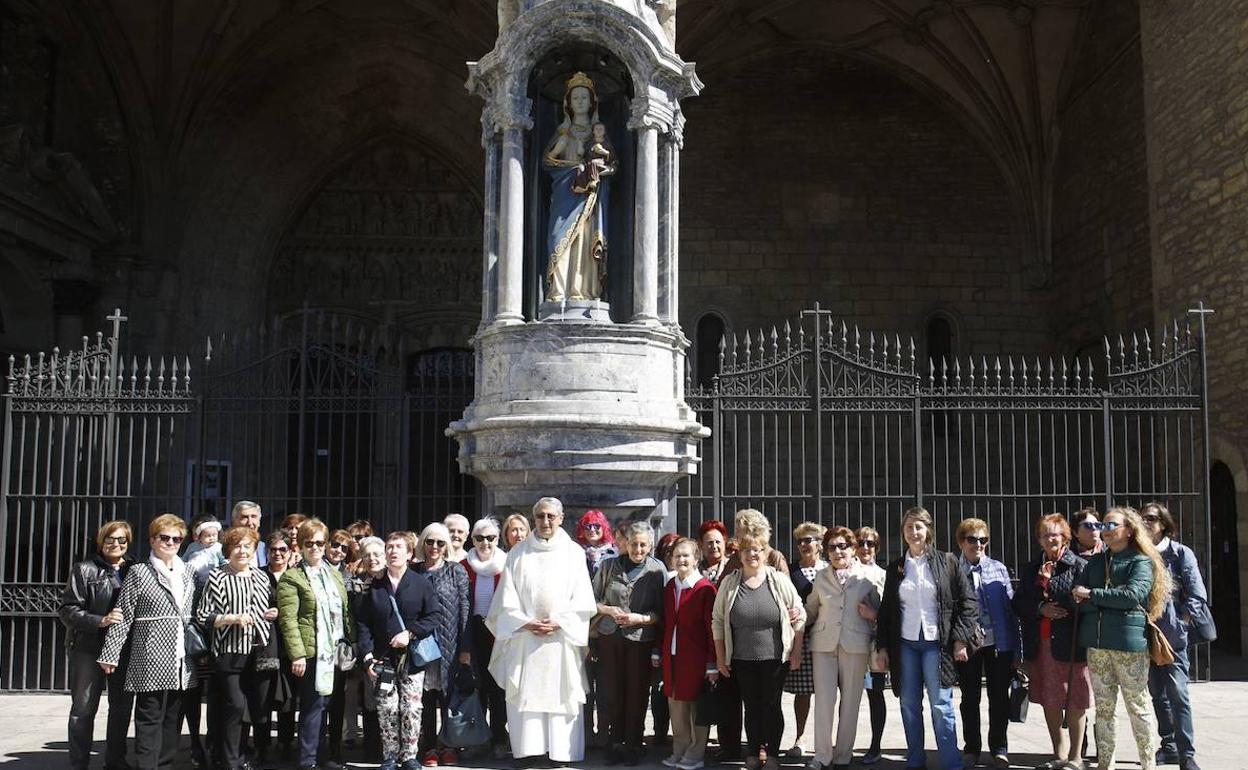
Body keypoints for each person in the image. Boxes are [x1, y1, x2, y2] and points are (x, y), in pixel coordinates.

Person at [486, 497, 597, 764]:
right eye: (540, 516)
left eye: (550, 516)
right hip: (526, 635)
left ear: (560, 518)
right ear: (533, 518)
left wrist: (561, 621)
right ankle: (529, 750)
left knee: (562, 693)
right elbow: (505, 598)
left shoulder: (573, 553)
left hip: (561, 636)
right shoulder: (518, 553)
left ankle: (562, 752)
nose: (545, 521)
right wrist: (524, 622)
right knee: (526, 692)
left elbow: (583, 597)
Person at [874, 506, 979, 770]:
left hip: (937, 644)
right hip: (906, 644)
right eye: (909, 527)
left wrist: (960, 638)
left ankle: (951, 763)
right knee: (909, 703)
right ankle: (915, 760)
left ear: (928, 530)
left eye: (918, 526)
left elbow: (968, 602)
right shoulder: (896, 568)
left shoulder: (947, 561)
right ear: (903, 533)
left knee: (940, 704)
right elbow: (887, 611)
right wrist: (883, 646)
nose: (914, 532)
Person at [1073, 506, 1172, 770]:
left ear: (1129, 530)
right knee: (1104, 710)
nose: (1103, 531)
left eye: (1110, 525)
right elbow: (1078, 598)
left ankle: (1148, 764)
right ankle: (1106, 763)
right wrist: (1100, 598)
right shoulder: (1095, 563)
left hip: (1129, 645)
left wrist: (1093, 596)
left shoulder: (1140, 561)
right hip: (1097, 645)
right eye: (1101, 526)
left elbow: (1133, 596)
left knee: (1137, 707)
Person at [97, 513, 196, 770]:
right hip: (150, 655)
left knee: (173, 718)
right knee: (149, 716)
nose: (171, 542)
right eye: (165, 537)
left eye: (177, 538)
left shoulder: (188, 573)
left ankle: (164, 765)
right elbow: (124, 614)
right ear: (152, 540)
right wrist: (111, 653)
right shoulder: (140, 572)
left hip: (180, 657)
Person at [712, 514, 806, 770]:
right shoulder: (730, 583)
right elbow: (718, 620)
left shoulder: (778, 579)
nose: (752, 554)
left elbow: (800, 614)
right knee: (751, 707)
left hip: (774, 658)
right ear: (739, 554)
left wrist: (796, 651)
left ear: (765, 552)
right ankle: (753, 753)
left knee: (772, 706)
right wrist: (721, 657)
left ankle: (773, 755)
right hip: (741, 658)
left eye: (757, 550)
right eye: (747, 550)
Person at [356, 531, 442, 770]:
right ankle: (390, 756)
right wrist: (367, 656)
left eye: (398, 547)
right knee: (387, 707)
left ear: (409, 553)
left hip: (412, 657)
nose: (393, 551)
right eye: (390, 547)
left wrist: (410, 633)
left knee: (412, 707)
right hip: (382, 659)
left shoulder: (421, 583)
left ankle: (410, 756)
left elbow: (433, 616)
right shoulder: (374, 587)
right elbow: (363, 624)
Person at [797, 526, 879, 770]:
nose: (837, 551)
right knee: (824, 701)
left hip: (855, 643)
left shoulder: (869, 576)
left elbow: (881, 612)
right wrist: (797, 615)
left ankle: (843, 755)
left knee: (851, 702)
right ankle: (822, 756)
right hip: (823, 644)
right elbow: (812, 609)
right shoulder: (821, 576)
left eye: (842, 546)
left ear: (853, 549)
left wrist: (873, 615)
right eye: (831, 547)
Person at [1015, 513, 1091, 770]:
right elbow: (1018, 603)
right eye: (1045, 534)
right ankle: (1058, 754)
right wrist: (1040, 608)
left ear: (1065, 537)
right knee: (1049, 697)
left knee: (1075, 699)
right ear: (1039, 539)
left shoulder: (1079, 566)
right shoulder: (1031, 568)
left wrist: (1063, 602)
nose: (1051, 538)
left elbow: (1087, 603)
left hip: (1070, 642)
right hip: (1042, 642)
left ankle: (1076, 757)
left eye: (1055, 533)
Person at [196, 526, 276, 770]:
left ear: (254, 550)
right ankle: (231, 760)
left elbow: (266, 608)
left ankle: (240, 756)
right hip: (229, 651)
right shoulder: (217, 576)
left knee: (252, 707)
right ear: (228, 550)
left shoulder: (262, 577)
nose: (242, 551)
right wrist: (231, 618)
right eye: (237, 546)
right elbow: (203, 615)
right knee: (235, 705)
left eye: (247, 546)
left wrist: (272, 613)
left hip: (258, 652)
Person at [278, 518, 355, 770]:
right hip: (311, 652)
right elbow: (288, 620)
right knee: (312, 707)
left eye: (320, 543)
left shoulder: (333, 574)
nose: (315, 548)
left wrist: (351, 644)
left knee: (326, 705)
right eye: (309, 543)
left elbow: (344, 612)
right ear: (299, 546)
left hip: (334, 650)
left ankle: (322, 757)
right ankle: (307, 760)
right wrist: (297, 655)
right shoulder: (292, 578)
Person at [60, 519, 135, 770]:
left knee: (122, 708)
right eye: (110, 539)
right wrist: (100, 620)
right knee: (83, 708)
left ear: (128, 542)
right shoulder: (84, 569)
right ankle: (79, 763)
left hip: (123, 650)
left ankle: (115, 761)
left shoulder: (135, 570)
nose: (116, 544)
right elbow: (68, 610)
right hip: (88, 647)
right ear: (101, 541)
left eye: (121, 539)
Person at [592, 520, 667, 765]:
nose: (638, 549)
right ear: (624, 543)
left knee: (636, 692)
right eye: (634, 544)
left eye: (643, 545)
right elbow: (591, 601)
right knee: (612, 691)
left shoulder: (657, 571)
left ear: (650, 546)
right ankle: (615, 742)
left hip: (640, 640)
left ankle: (634, 744)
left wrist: (641, 618)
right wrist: (609, 610)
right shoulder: (609, 566)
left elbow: (663, 612)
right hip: (610, 637)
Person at [1141, 502, 1209, 770]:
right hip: (1145, 633)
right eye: (1142, 518)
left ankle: (1186, 753)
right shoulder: (1139, 554)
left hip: (1173, 636)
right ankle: (1168, 745)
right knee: (1157, 692)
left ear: (1163, 524)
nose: (1146, 522)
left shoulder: (1180, 554)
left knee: (1178, 692)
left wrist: (1182, 622)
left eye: (1151, 518)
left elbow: (1197, 593)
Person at [954, 518, 1021, 769]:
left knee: (999, 698)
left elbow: (1010, 610)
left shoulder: (998, 568)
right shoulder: (953, 570)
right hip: (968, 644)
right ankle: (971, 748)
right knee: (970, 698)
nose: (978, 544)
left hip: (998, 643)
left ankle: (999, 747)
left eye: (983, 540)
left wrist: (1016, 649)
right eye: (972, 539)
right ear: (962, 542)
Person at [542, 72, 613, 302]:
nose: (580, 102)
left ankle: (583, 291)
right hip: (565, 196)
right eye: (576, 98)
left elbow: (614, 165)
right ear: (568, 104)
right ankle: (558, 292)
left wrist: (599, 169)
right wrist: (573, 169)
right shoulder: (563, 133)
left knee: (585, 242)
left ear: (592, 103)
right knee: (559, 238)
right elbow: (548, 163)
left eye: (584, 97)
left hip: (591, 199)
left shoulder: (599, 135)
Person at [414, 522, 472, 766]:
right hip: (422, 645)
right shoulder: (413, 572)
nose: (434, 547)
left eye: (440, 542)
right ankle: (428, 748)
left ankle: (449, 746)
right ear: (423, 544)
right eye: (430, 542)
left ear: (446, 545)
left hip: (450, 644)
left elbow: (464, 609)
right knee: (425, 699)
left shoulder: (456, 571)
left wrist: (466, 649)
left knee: (449, 698)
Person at [658, 537, 717, 770]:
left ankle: (695, 753)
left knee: (695, 708)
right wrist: (657, 651)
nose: (681, 559)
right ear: (671, 560)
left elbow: (713, 628)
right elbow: (664, 623)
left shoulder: (704, 589)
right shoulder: (671, 587)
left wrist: (712, 662)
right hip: (672, 656)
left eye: (686, 555)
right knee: (676, 706)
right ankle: (679, 750)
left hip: (696, 658)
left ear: (696, 559)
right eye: (677, 555)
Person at [462, 518, 509, 757]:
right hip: (472, 632)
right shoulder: (463, 565)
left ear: (497, 539)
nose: (485, 542)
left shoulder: (507, 564)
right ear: (473, 540)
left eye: (490, 538)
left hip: (499, 633)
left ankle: (500, 739)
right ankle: (478, 740)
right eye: (480, 538)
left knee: (498, 689)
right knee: (476, 688)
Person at [784, 522, 827, 759]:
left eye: (808, 540)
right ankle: (800, 737)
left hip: (829, 636)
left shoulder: (830, 569)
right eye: (800, 541)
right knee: (803, 692)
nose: (803, 545)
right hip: (802, 637)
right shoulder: (791, 571)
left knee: (829, 691)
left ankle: (828, 739)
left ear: (820, 543)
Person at [346, 535, 387, 761]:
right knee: (371, 701)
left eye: (377, 554)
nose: (372, 559)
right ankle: (372, 749)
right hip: (368, 647)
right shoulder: (356, 583)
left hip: (391, 647)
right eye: (368, 555)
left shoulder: (393, 580)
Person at [854, 525, 888, 766]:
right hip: (849, 643)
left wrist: (874, 615)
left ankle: (875, 745)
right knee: (847, 696)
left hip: (875, 644)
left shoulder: (884, 575)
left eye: (870, 544)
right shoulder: (846, 571)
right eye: (861, 542)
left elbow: (891, 612)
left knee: (875, 695)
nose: (865, 547)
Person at [324, 529, 359, 764]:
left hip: (340, 645)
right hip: (318, 642)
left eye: (344, 548)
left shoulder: (349, 576)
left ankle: (334, 749)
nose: (338, 551)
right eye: (335, 545)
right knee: (318, 701)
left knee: (337, 699)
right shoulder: (313, 569)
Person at [184, 516, 224, 587]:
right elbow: (185, 559)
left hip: (211, 580)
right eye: (207, 536)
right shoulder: (193, 546)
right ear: (199, 536)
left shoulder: (218, 547)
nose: (211, 538)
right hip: (193, 579)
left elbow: (223, 561)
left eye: (214, 535)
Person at [577, 509, 618, 576]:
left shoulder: (614, 553)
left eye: (597, 526)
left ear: (604, 528)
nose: (592, 530)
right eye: (588, 526)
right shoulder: (577, 552)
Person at [232, 500, 268, 566]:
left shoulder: (265, 548)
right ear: (234, 521)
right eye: (244, 517)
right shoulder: (225, 547)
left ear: (259, 522)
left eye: (253, 517)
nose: (250, 523)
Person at [698, 520, 729, 585]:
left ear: (724, 542)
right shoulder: (694, 570)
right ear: (701, 544)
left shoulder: (733, 568)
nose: (714, 546)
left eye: (717, 542)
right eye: (710, 542)